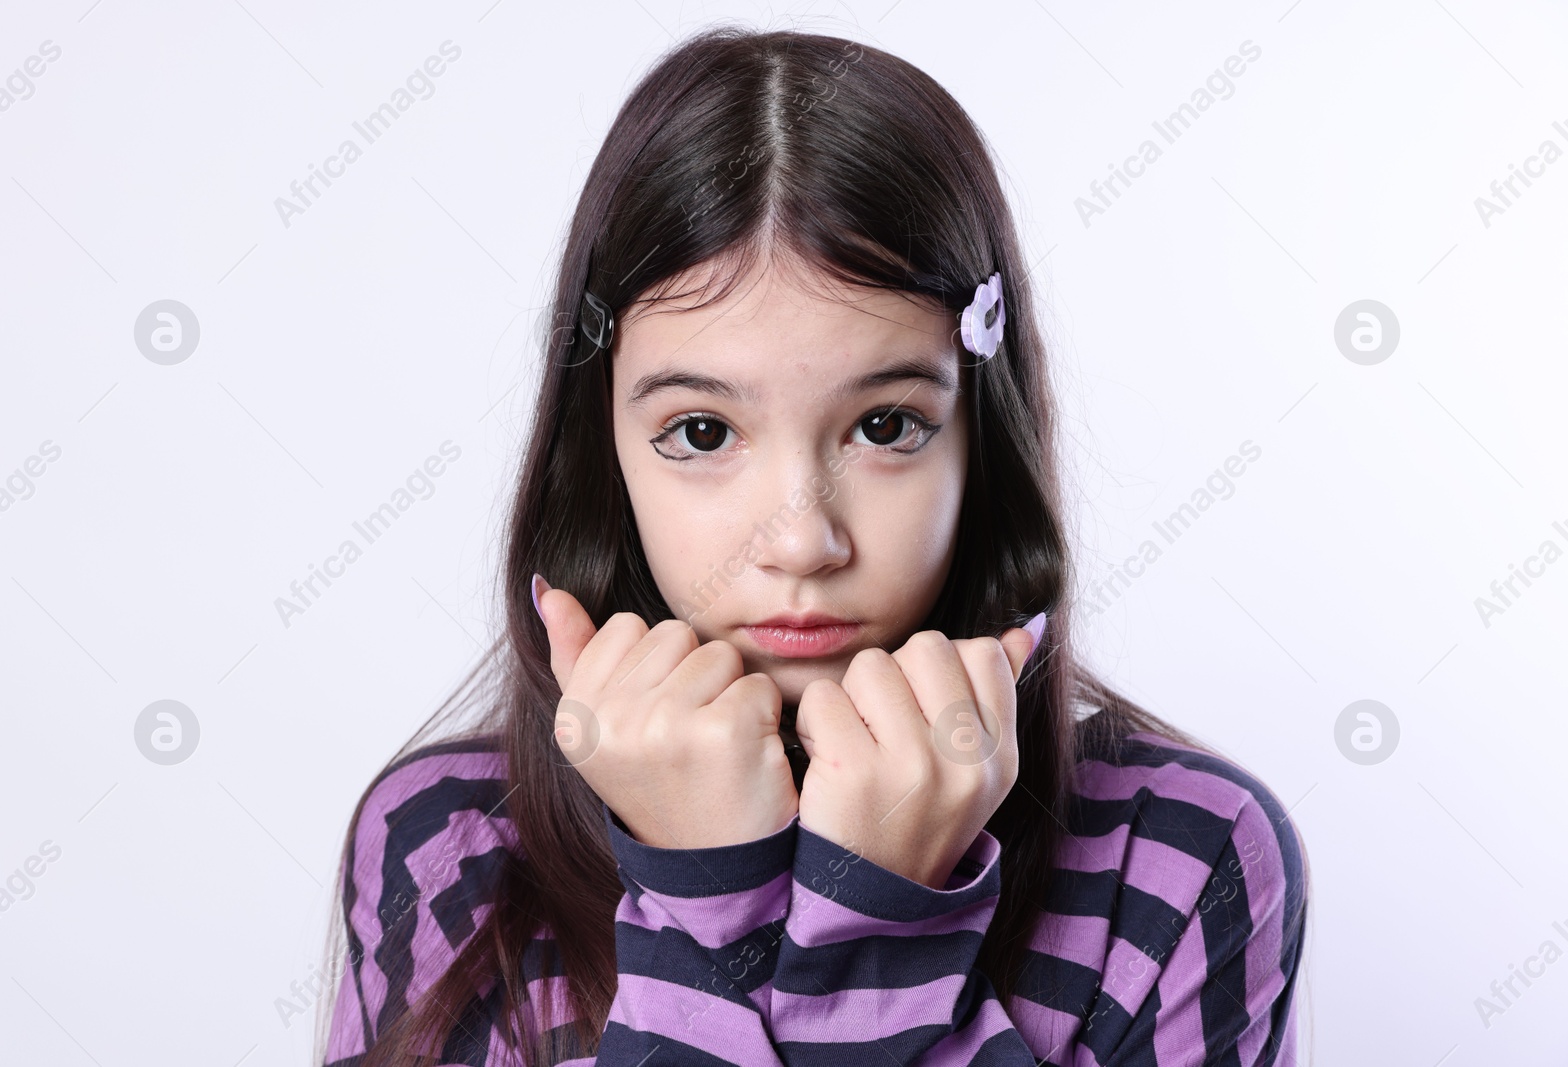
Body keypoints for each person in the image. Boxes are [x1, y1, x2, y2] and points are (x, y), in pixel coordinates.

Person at [316, 24, 1309, 1067]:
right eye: (702, 432)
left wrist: (875, 925)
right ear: (600, 453)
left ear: (983, 438)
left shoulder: (1181, 854)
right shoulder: (450, 844)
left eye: (884, 426)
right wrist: (708, 881)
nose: (801, 538)